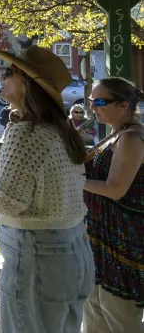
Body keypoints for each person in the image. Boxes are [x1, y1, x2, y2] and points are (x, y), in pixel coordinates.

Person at [0, 45, 91, 333]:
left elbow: (7, 201)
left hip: (38, 256)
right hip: (75, 252)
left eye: (10, 72)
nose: (2, 75)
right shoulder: (60, 131)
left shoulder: (25, 133)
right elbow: (39, 183)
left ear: (28, 84)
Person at [83, 77, 144, 332]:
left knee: (121, 319)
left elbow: (115, 189)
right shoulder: (116, 133)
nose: (92, 107)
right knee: (96, 316)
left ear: (122, 106)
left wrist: (74, 179)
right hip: (102, 238)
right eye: (90, 101)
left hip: (122, 245)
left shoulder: (130, 137)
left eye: (99, 101)